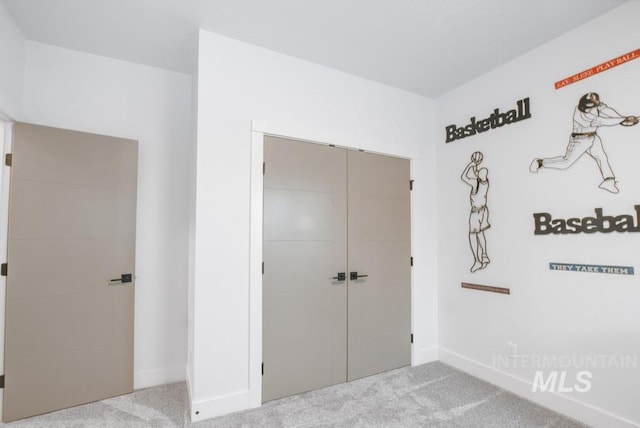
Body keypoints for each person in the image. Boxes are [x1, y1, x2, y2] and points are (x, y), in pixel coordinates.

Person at [529, 92, 639, 193]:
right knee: (565, 163)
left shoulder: (595, 105)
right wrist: (623, 120)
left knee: (602, 157)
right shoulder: (580, 113)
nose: (591, 109)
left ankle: (608, 182)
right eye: (589, 107)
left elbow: (606, 110)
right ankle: (540, 162)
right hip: (579, 140)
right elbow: (603, 121)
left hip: (593, 137)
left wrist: (623, 118)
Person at [461, 154, 490, 273]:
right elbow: (476, 174)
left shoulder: (474, 184)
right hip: (484, 211)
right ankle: (484, 256)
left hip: (476, 212)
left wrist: (471, 164)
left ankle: (477, 260)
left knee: (472, 235)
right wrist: (475, 166)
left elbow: (463, 176)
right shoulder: (485, 182)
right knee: (481, 233)